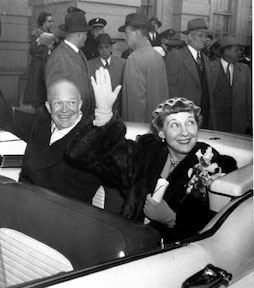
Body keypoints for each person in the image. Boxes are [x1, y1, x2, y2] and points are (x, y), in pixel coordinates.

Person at [66, 67, 237, 243]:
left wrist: (171, 219)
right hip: (132, 240)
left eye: (190, 123)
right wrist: (103, 113)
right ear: (161, 133)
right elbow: (82, 155)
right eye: (174, 125)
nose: (185, 132)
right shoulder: (145, 153)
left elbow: (217, 230)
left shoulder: (212, 162)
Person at [0, 49, 102, 203]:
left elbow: (76, 196)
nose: (65, 109)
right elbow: (4, 115)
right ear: (48, 107)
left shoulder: (92, 140)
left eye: (71, 102)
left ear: (80, 104)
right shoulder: (39, 124)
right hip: (25, 204)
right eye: (58, 103)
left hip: (64, 215)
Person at [165, 18, 215, 129]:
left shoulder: (206, 59)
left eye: (206, 36)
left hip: (203, 117)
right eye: (200, 36)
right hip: (184, 117)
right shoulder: (176, 56)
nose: (204, 39)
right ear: (189, 37)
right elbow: (171, 90)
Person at [119, 13, 168, 123]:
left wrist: (134, 131)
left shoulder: (134, 59)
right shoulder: (157, 56)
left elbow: (135, 103)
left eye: (126, 34)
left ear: (135, 34)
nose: (125, 38)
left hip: (140, 128)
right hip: (157, 124)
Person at [45, 11, 94, 116]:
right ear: (80, 35)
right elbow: (55, 98)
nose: (87, 37)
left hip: (82, 118)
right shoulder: (58, 58)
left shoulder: (79, 53)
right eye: (86, 34)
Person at [210, 36, 252, 134]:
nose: (240, 53)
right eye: (236, 50)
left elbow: (249, 95)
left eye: (241, 50)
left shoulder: (245, 69)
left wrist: (250, 118)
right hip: (216, 123)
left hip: (238, 122)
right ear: (225, 51)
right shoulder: (210, 67)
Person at [23, 12, 57, 114]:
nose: (51, 23)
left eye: (52, 21)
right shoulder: (36, 32)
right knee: (38, 92)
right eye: (49, 21)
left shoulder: (49, 32)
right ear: (43, 22)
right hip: (38, 65)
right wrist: (47, 48)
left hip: (46, 64)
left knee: (44, 92)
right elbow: (33, 50)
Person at [88, 33, 125, 115]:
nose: (104, 50)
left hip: (118, 109)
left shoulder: (122, 63)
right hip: (98, 109)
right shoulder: (90, 65)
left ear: (111, 48)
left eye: (107, 47)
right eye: (101, 47)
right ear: (97, 49)